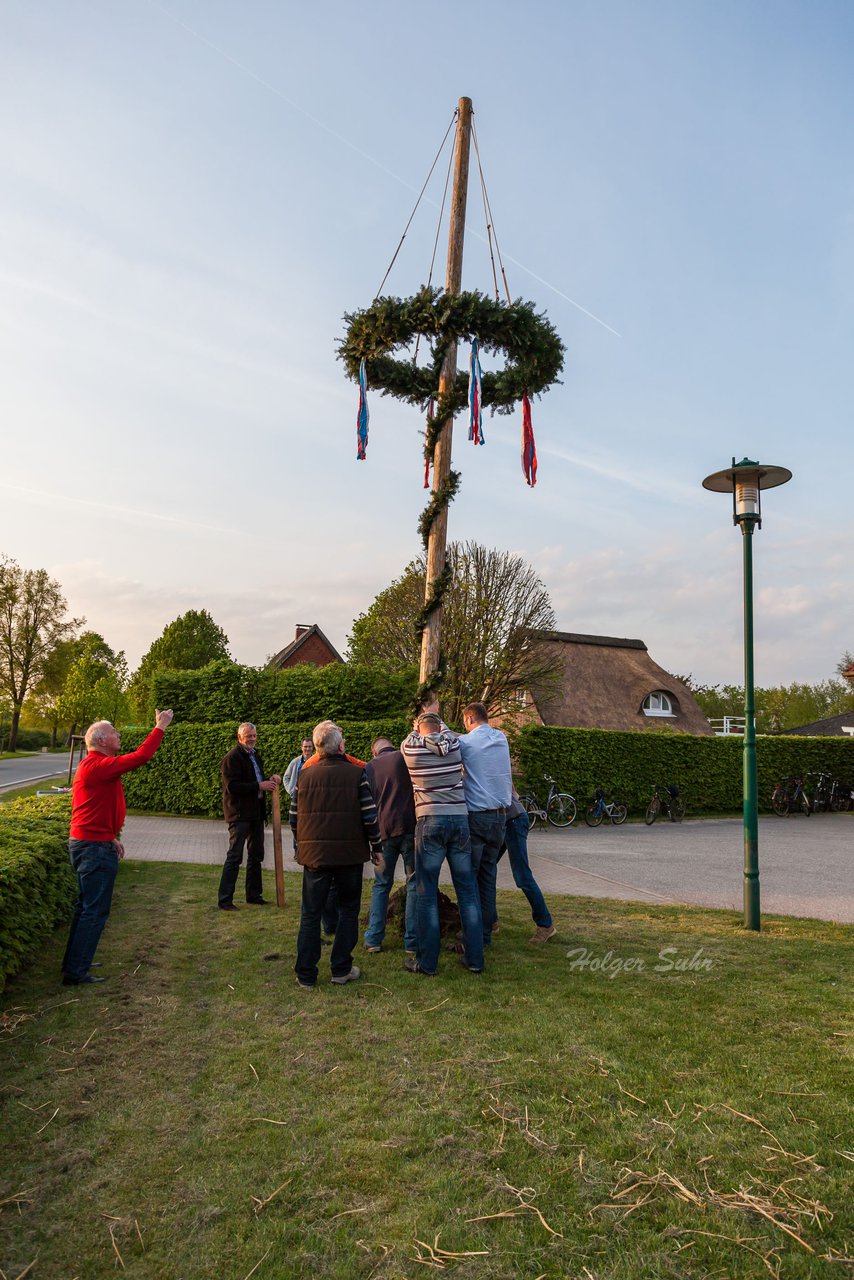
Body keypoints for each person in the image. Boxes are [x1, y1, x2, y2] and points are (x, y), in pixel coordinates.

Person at [61, 708, 174, 986]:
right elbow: (141, 757)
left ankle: (75, 962)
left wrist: (109, 835)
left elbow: (90, 808)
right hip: (92, 848)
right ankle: (76, 971)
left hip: (92, 842)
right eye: (113, 731)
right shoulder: (98, 765)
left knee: (85, 907)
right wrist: (160, 727)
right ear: (100, 740)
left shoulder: (93, 766)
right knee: (94, 910)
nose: (119, 734)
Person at [289, 720, 383, 988]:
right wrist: (377, 848)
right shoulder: (356, 774)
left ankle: (306, 974)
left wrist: (301, 845)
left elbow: (294, 818)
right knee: (348, 911)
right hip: (348, 856)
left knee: (310, 914)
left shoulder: (304, 776)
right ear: (340, 746)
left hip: (314, 856)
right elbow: (370, 816)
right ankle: (340, 968)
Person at [401, 712, 483, 976]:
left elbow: (416, 735)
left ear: (419, 729)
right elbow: (445, 733)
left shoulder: (410, 749)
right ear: (441, 728)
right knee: (468, 893)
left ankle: (427, 963)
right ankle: (475, 959)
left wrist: (418, 726)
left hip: (430, 821)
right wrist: (439, 725)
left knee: (426, 896)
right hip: (459, 820)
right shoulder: (456, 744)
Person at [457, 702, 512, 949]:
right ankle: (486, 935)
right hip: (501, 817)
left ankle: (471, 937)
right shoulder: (501, 739)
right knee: (488, 877)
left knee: (469, 877)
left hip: (477, 817)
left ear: (469, 719)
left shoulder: (466, 743)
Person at [218, 723, 281, 910]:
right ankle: (225, 900)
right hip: (239, 814)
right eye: (248, 736)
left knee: (256, 855)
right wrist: (259, 786)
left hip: (256, 814)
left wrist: (270, 780)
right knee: (235, 856)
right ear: (239, 737)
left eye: (254, 735)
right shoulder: (232, 758)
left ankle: (254, 895)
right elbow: (233, 787)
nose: (252, 739)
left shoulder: (255, 755)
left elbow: (256, 780)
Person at [363, 736, 417, 956]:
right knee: (414, 884)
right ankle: (411, 942)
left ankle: (374, 938)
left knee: (381, 885)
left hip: (383, 833)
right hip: (410, 828)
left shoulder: (369, 767)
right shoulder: (405, 758)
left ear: (375, 752)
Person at [498, 788, 556, 943]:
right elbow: (515, 793)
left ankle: (546, 925)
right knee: (485, 871)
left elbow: (512, 793)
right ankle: (489, 921)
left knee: (522, 876)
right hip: (504, 821)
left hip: (513, 820)